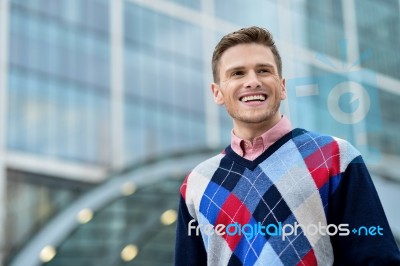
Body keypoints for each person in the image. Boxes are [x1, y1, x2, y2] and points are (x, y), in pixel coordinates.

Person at [174, 26, 400, 265]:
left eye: (263, 70)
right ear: (217, 92)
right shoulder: (196, 184)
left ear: (282, 86)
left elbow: (377, 259)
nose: (253, 81)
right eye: (238, 73)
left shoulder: (336, 157)